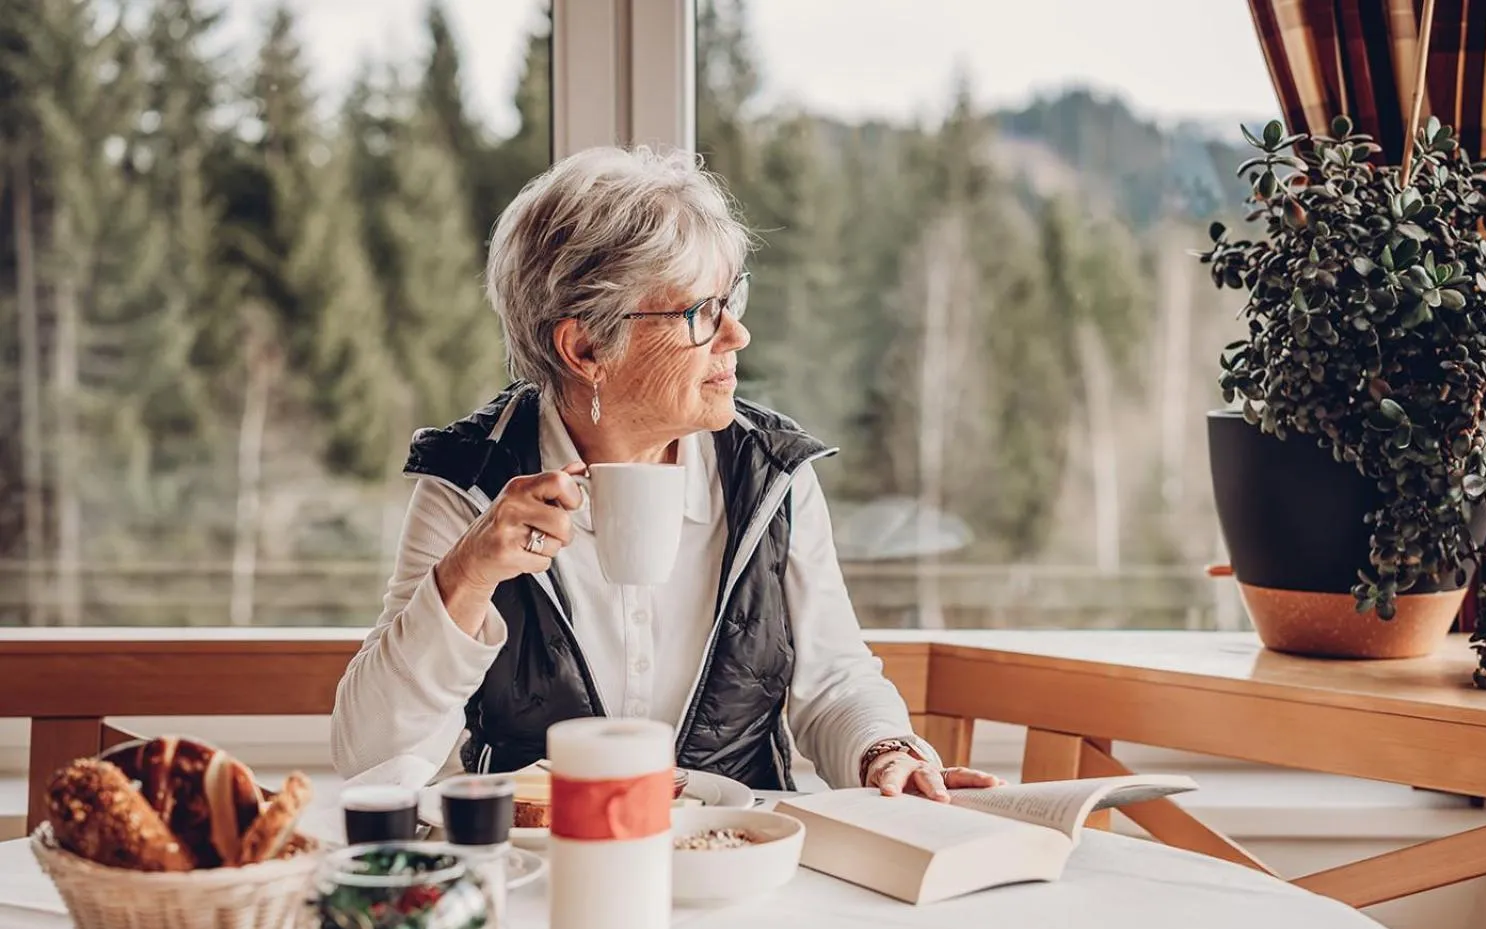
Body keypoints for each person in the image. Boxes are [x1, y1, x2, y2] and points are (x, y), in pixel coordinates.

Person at [330, 145, 999, 801]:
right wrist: (469, 573)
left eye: (732, 298)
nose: (736, 335)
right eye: (700, 312)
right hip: (548, 866)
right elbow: (373, 756)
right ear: (587, 346)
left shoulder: (772, 474)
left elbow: (834, 682)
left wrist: (884, 749)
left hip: (739, 854)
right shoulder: (469, 483)